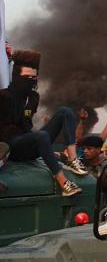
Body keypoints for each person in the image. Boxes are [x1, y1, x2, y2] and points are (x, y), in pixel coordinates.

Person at [0, 50, 86, 196]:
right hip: (9, 147)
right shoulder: (3, 96)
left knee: (65, 112)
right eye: (27, 77)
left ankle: (73, 158)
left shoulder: (33, 98)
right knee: (41, 136)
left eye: (34, 77)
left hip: (26, 142)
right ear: (16, 76)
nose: (31, 80)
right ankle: (64, 183)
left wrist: (45, 149)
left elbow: (27, 126)